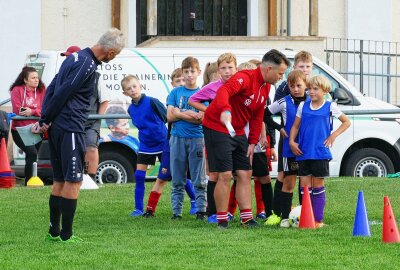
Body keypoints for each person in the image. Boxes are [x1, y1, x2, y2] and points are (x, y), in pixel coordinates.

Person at [32, 28, 125, 243]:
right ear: (111, 52)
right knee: (73, 181)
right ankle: (66, 235)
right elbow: (63, 91)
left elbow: (53, 87)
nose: (115, 57)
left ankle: (54, 232)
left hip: (58, 128)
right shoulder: (87, 63)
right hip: (71, 127)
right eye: (116, 54)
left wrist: (46, 118)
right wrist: (45, 120)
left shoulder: (74, 57)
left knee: (59, 180)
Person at [202, 49, 290, 229]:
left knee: (245, 173)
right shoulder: (244, 77)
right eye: (280, 73)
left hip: (238, 131)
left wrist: (252, 142)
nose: (281, 77)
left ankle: (247, 218)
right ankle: (221, 220)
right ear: (269, 69)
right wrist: (226, 111)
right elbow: (224, 92)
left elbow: (257, 114)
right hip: (217, 126)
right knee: (225, 174)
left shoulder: (265, 87)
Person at [289, 75, 351, 228]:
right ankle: (305, 218)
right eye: (309, 89)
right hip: (303, 152)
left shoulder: (330, 106)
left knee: (317, 185)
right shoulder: (303, 106)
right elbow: (296, 126)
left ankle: (318, 220)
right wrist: (291, 142)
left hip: (320, 153)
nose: (311, 92)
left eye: (315, 89)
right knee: (304, 186)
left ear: (324, 91)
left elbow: (346, 122)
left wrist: (333, 135)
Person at [138, 70, 197, 217]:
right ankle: (150, 209)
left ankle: (197, 204)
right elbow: (169, 117)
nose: (182, 83)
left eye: (184, 81)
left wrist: (179, 113)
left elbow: (198, 117)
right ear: (172, 84)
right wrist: (183, 114)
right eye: (178, 81)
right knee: (163, 176)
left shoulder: (195, 98)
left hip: (192, 141)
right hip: (171, 142)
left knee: (192, 177)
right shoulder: (172, 98)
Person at [188, 52, 238, 224]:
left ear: (236, 68)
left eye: (230, 67)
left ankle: (230, 211)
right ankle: (213, 212)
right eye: (223, 68)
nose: (227, 71)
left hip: (234, 133)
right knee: (216, 173)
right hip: (214, 131)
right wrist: (209, 110)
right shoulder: (213, 87)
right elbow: (192, 100)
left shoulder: (240, 84)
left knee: (236, 173)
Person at [271, 50, 314, 217]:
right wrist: (280, 128)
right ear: (294, 67)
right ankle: (278, 213)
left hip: (305, 141)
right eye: (301, 66)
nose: (304, 69)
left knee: (304, 176)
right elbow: (275, 109)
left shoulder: (313, 88)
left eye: (307, 66)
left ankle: (304, 212)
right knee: (284, 175)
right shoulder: (284, 87)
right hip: (288, 138)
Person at [264, 70, 309, 227]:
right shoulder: (283, 102)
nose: (295, 89)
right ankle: (284, 217)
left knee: (306, 183)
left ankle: (307, 216)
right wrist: (279, 127)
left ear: (306, 85)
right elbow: (265, 114)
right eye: (292, 86)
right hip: (289, 149)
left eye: (299, 85)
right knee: (288, 182)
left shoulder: (311, 101)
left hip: (307, 149)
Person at [60, 46, 111, 182]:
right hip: (70, 119)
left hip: (90, 120)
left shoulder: (96, 77)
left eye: (69, 57)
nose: (67, 60)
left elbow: (104, 100)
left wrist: (96, 121)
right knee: (71, 150)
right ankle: (72, 177)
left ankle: (90, 180)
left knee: (91, 148)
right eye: (66, 57)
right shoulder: (62, 75)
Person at [167, 56, 207, 220]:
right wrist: (190, 114)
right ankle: (177, 212)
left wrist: (180, 113)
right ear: (182, 73)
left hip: (197, 138)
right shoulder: (176, 92)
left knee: (199, 178)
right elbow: (170, 116)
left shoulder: (203, 92)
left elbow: (202, 117)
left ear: (198, 72)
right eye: (186, 71)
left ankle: (201, 210)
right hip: (177, 138)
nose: (189, 75)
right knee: (177, 178)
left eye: (192, 71)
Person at [10, 66, 46, 185]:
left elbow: (45, 109)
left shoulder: (42, 90)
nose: (36, 80)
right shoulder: (17, 89)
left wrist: (32, 111)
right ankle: (30, 181)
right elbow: (18, 110)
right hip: (20, 130)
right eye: (33, 78)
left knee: (32, 157)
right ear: (25, 80)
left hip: (37, 129)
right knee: (32, 153)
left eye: (37, 77)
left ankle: (29, 183)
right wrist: (36, 109)